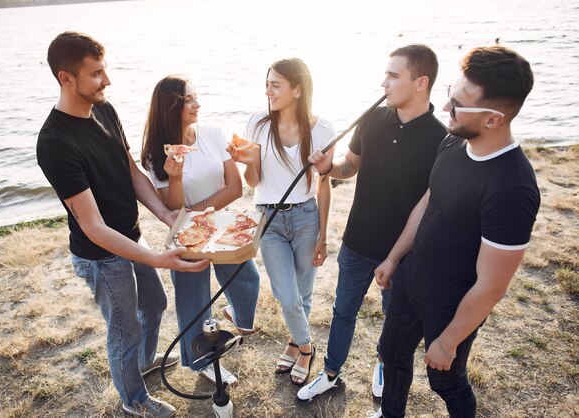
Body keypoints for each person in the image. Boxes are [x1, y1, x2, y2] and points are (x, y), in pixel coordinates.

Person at [36, 32, 209, 418]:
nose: (107, 81)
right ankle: (134, 400)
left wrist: (166, 215)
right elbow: (93, 226)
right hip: (101, 256)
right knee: (124, 330)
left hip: (130, 237)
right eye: (96, 73)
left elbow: (131, 173)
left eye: (105, 69)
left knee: (156, 304)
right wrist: (158, 259)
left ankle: (140, 367)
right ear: (66, 78)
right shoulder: (54, 142)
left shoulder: (105, 111)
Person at [367, 46, 540, 418]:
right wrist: (395, 257)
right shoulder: (455, 139)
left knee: (444, 381)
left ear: (493, 119)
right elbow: (428, 203)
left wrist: (447, 343)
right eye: (450, 94)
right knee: (392, 354)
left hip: (451, 304)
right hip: (411, 280)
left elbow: (492, 285)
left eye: (458, 104)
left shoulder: (513, 189)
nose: (446, 108)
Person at [297, 44, 447, 402]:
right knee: (342, 311)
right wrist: (328, 169)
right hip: (356, 242)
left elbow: (431, 207)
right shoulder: (373, 118)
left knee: (392, 320)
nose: (383, 83)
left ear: (421, 82)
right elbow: (350, 166)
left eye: (393, 76)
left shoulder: (441, 139)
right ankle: (331, 372)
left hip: (403, 254)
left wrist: (398, 257)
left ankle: (382, 364)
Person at [141, 74, 261, 386]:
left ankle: (237, 317)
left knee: (247, 278)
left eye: (196, 97)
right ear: (171, 108)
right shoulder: (157, 155)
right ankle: (201, 361)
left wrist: (201, 212)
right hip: (187, 237)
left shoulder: (213, 133)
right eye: (188, 100)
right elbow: (172, 209)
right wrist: (176, 178)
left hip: (220, 227)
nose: (197, 104)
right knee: (193, 300)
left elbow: (234, 188)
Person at [229, 57, 333, 386]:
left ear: (298, 89)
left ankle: (292, 343)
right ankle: (307, 347)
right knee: (286, 296)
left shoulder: (323, 129)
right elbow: (254, 180)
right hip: (269, 219)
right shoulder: (257, 123)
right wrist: (247, 161)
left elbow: (324, 183)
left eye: (276, 84)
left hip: (306, 217)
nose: (268, 91)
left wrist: (323, 237)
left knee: (302, 294)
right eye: (267, 83)